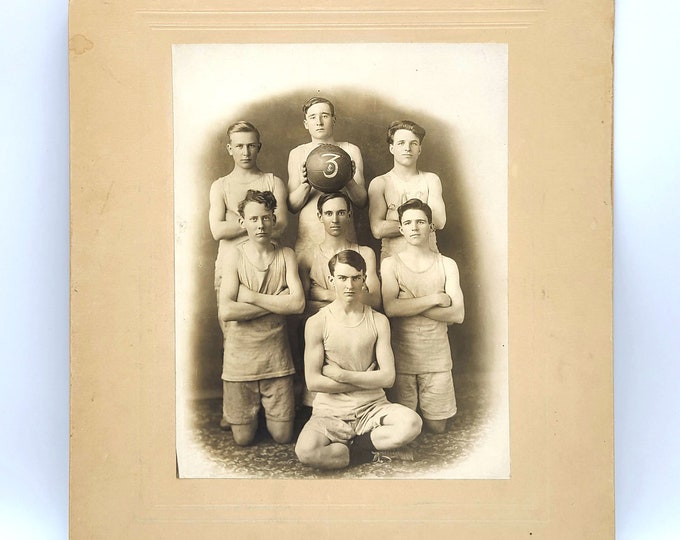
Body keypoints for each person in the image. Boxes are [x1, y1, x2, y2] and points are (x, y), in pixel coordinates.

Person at [295, 250, 422, 470]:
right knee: (306, 452)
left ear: (364, 280)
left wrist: (343, 375)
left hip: (372, 407)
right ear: (331, 280)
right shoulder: (317, 322)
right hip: (330, 412)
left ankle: (357, 447)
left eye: (355, 278)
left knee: (412, 423)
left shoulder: (379, 321)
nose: (349, 285)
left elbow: (388, 377)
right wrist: (367, 378)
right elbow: (314, 382)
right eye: (342, 278)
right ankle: (364, 452)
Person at [218, 190, 305, 446]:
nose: (261, 225)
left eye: (266, 218)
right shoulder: (233, 255)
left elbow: (298, 304)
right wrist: (279, 302)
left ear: (273, 219)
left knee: (283, 436)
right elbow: (227, 311)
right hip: (240, 360)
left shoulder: (286, 254)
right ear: (242, 222)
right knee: (243, 439)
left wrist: (251, 297)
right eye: (254, 219)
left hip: (275, 359)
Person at [380, 199, 464, 433]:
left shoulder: (447, 264)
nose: (414, 227)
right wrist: (434, 299)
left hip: (437, 357)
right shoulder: (390, 264)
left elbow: (457, 314)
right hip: (403, 358)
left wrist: (408, 302)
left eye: (420, 222)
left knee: (436, 428)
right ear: (401, 229)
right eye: (408, 222)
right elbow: (391, 309)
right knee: (407, 427)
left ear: (431, 226)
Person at [296, 192, 382, 408]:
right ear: (319, 216)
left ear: (350, 214)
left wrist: (322, 293)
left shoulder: (365, 253)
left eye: (341, 212)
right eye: (329, 213)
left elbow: (375, 300)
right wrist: (351, 295)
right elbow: (301, 305)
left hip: (356, 331)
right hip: (323, 334)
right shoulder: (307, 256)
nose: (335, 220)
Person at [209, 121, 288, 295]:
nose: (246, 153)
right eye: (239, 146)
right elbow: (217, 231)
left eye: (251, 146)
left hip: (268, 267)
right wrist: (262, 221)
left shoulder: (274, 182)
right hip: (230, 266)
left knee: (273, 316)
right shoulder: (220, 186)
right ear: (230, 149)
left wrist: (236, 220)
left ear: (258, 147)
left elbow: (280, 226)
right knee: (233, 317)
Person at [287, 97, 367, 261]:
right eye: (313, 117)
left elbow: (361, 201)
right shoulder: (297, 153)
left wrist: (349, 180)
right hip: (309, 237)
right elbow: (292, 206)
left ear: (333, 119)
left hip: (344, 237)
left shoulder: (350, 150)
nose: (319, 122)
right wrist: (306, 183)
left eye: (324, 115)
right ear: (305, 123)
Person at [368, 120, 446, 261]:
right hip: (393, 262)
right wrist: (421, 223)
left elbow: (439, 221)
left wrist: (397, 225)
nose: (407, 148)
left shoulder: (431, 180)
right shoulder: (380, 183)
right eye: (401, 143)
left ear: (419, 149)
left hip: (429, 260)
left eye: (413, 143)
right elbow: (378, 229)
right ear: (392, 148)